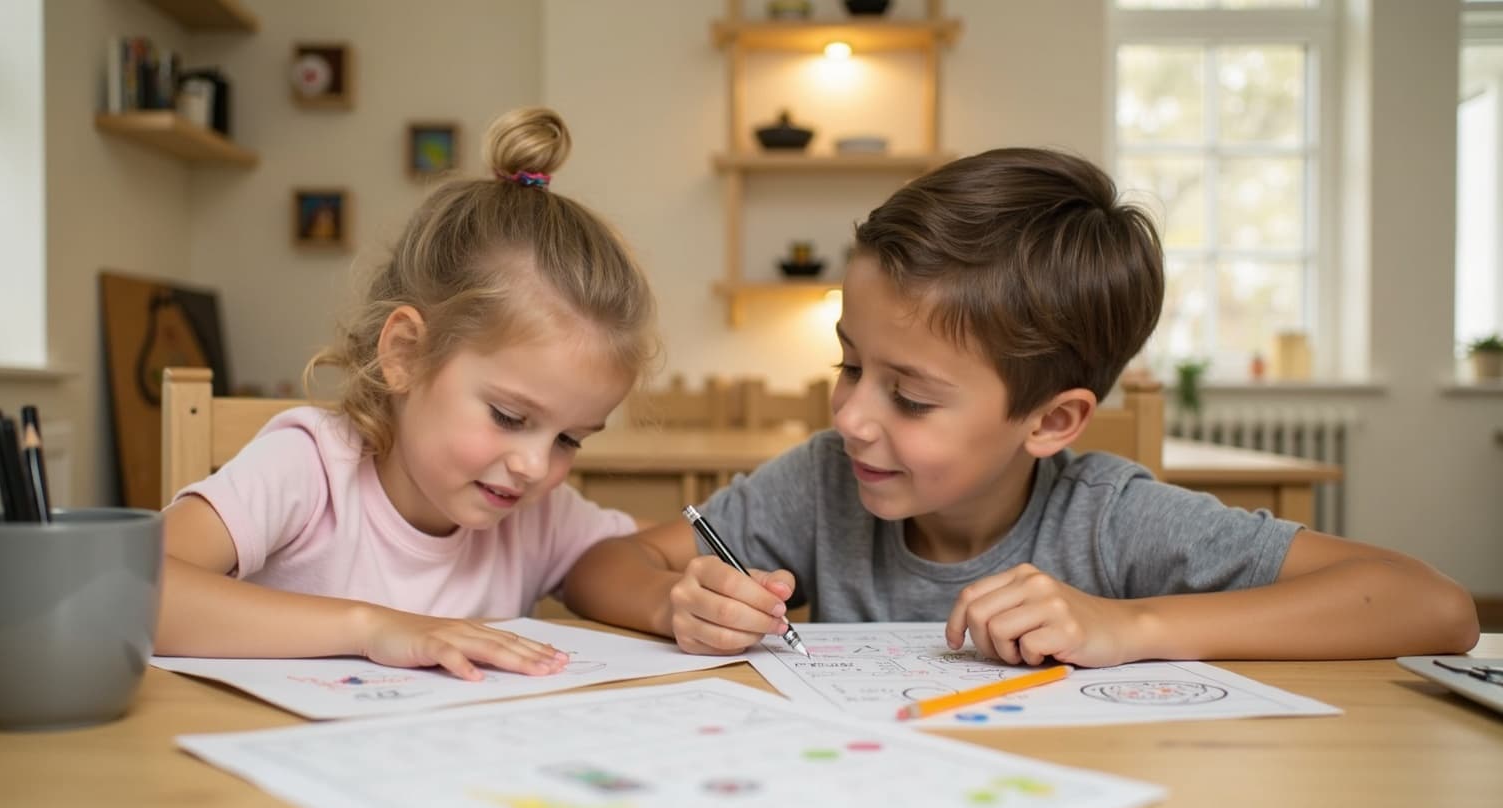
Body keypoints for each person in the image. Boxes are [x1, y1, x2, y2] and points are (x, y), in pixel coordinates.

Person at [562, 147, 1479, 667]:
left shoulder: (1110, 518)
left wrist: (1134, 625)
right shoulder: (818, 485)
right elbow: (604, 562)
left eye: (911, 397)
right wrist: (672, 603)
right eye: (849, 365)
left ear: (1052, 422)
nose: (851, 418)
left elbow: (1431, 605)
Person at [156, 107, 659, 680]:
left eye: (570, 438)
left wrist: (701, 589)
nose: (535, 466)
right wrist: (370, 628)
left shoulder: (532, 513)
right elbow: (128, 590)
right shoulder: (312, 467)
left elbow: (650, 546)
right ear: (406, 355)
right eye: (509, 416)